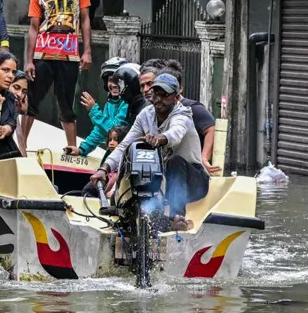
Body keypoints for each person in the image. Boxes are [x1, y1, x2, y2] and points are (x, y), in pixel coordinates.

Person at [89, 74, 208, 231]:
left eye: (165, 95)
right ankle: (124, 211)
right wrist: (104, 169)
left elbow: (176, 134)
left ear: (175, 97)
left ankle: (177, 217)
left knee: (175, 161)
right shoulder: (145, 115)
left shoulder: (183, 113)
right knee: (132, 156)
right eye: (156, 94)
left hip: (193, 181)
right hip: (163, 180)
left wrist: (160, 138)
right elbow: (124, 145)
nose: (159, 99)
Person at [22, 0, 93, 149]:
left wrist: (87, 50)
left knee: (67, 103)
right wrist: (29, 61)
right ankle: (22, 146)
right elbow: (33, 28)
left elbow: (85, 19)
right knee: (32, 100)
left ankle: (71, 147)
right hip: (43, 53)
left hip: (69, 54)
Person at [158, 60, 220, 175]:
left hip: (188, 168)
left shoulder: (191, 108)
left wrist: (204, 158)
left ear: (179, 89)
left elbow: (210, 128)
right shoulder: (153, 111)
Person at [65, 57, 129, 157]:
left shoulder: (127, 103)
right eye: (111, 80)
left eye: (118, 81)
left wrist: (94, 110)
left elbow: (115, 131)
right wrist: (82, 149)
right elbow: (100, 131)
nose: (114, 85)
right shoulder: (111, 103)